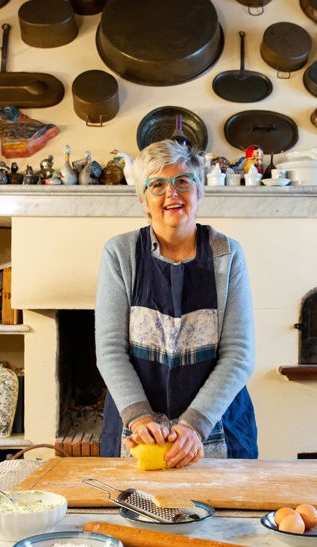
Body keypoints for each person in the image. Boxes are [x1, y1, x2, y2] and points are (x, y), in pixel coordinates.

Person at [95, 139, 257, 468]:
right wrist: (139, 418)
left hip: (217, 427)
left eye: (182, 181)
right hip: (139, 432)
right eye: (157, 185)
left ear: (199, 192)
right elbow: (110, 350)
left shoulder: (228, 254)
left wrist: (194, 426)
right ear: (143, 199)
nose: (172, 193)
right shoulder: (120, 253)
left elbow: (239, 354)